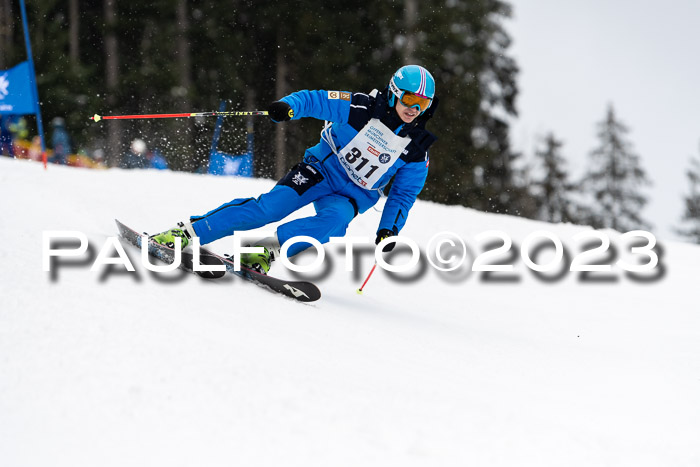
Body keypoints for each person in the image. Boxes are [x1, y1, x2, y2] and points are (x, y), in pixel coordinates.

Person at [152, 64, 438, 274]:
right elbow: (316, 99)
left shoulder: (416, 149)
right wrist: (288, 107)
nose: (414, 109)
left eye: (422, 103)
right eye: (409, 99)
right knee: (268, 210)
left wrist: (388, 230)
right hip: (320, 172)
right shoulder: (361, 108)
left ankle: (265, 250)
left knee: (334, 223)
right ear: (393, 93)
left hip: (352, 197)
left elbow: (402, 195)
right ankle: (187, 233)